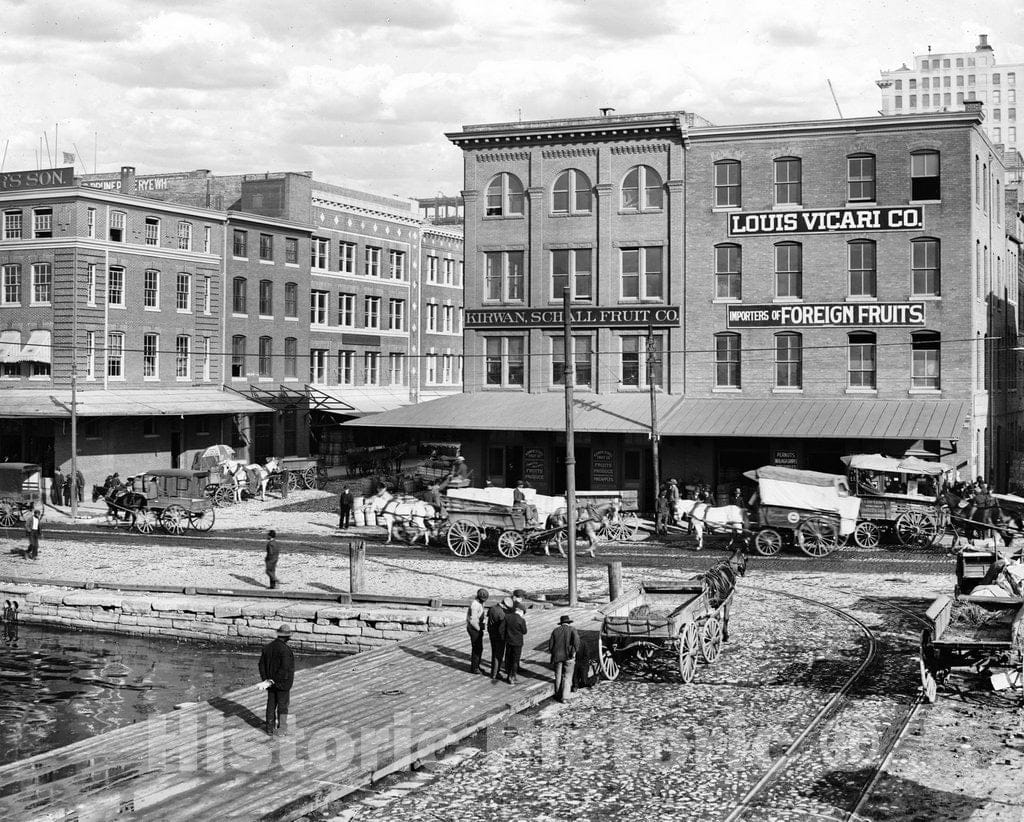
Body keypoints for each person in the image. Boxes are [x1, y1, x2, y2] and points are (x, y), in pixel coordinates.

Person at [258, 624, 295, 736]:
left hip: (270, 683)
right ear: (286, 637)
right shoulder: (285, 650)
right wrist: (273, 680)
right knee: (283, 707)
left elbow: (261, 665)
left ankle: (269, 728)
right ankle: (282, 730)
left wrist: (266, 680)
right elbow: (284, 669)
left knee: (271, 705)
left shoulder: (267, 647)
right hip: (282, 684)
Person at [548, 614, 580, 702]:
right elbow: (577, 641)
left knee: (557, 675)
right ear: (568, 623)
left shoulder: (555, 631)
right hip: (569, 656)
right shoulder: (572, 629)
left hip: (557, 657)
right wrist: (574, 652)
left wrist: (554, 653)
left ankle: (558, 695)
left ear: (561, 623)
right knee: (568, 676)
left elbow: (550, 646)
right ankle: (565, 697)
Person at [502, 601, 528, 685]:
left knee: (509, 658)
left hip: (508, 641)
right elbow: (524, 631)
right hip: (518, 643)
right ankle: (513, 676)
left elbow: (502, 629)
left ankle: (508, 675)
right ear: (521, 611)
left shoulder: (507, 617)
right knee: (515, 660)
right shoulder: (521, 620)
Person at [486, 596, 509, 680]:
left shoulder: (492, 608)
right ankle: (495, 673)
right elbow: (503, 625)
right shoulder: (502, 613)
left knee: (494, 652)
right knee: (498, 655)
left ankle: (494, 671)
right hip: (499, 636)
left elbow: (488, 616)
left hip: (491, 633)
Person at [466, 587, 488, 674]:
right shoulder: (475, 605)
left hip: (477, 627)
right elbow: (473, 621)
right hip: (474, 628)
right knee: (476, 648)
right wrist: (479, 630)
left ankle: (477, 665)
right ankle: (474, 668)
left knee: (479, 648)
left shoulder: (479, 603)